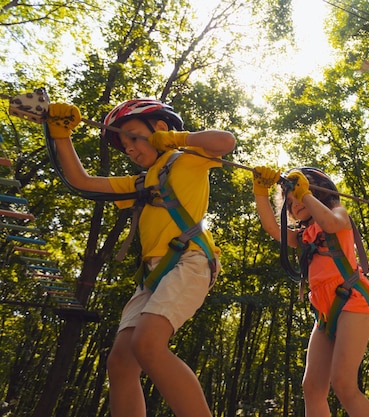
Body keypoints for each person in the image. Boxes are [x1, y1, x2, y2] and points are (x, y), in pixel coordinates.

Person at [46, 99, 236, 417]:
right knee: (120, 363)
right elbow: (82, 182)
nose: (130, 149)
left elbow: (225, 141)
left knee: (147, 345)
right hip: (153, 275)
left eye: (133, 136)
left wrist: (177, 138)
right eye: (124, 145)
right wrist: (61, 135)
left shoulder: (187, 158)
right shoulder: (139, 183)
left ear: (159, 128)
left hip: (189, 260)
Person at [251, 166, 369, 417]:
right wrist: (260, 191)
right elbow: (271, 228)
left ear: (318, 193)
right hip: (325, 309)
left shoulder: (337, 213)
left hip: (352, 299)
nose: (293, 203)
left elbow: (332, 224)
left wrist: (305, 193)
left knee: (344, 384)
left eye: (297, 195)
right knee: (311, 387)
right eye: (289, 202)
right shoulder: (302, 236)